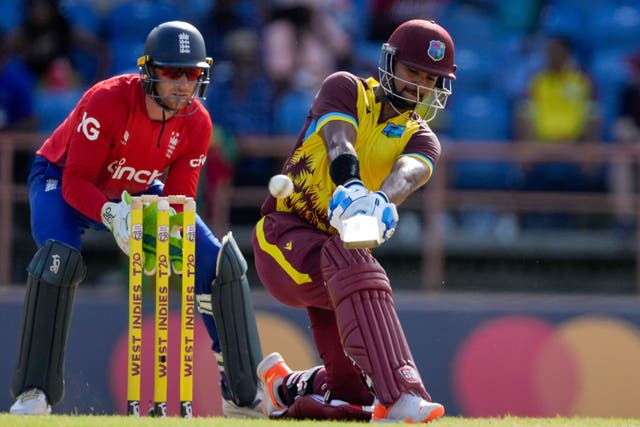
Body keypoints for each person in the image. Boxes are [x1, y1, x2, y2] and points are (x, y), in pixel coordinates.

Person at [9, 21, 262, 418]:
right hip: (63, 181)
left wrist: (166, 241)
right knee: (58, 260)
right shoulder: (106, 100)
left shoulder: (197, 122)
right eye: (171, 73)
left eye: (191, 74)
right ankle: (33, 393)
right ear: (149, 73)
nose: (182, 85)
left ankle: (242, 394)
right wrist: (112, 215)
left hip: (137, 189)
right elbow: (76, 182)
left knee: (218, 262)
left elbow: (179, 204)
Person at [250, 19, 456, 422]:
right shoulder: (345, 87)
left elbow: (409, 173)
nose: (420, 86)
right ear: (390, 64)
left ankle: (285, 387)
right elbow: (338, 141)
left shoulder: (422, 136)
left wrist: (383, 201)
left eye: (432, 78)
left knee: (353, 401)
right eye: (414, 71)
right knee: (357, 261)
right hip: (283, 237)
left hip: (336, 261)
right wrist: (354, 186)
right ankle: (402, 394)